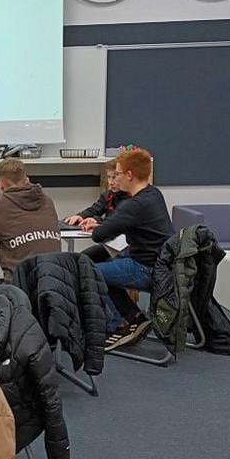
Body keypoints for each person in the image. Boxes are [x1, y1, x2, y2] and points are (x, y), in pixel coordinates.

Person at [83, 148, 173, 347]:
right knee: (105, 265)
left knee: (88, 272)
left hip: (147, 269)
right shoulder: (154, 194)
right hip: (164, 266)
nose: (115, 178)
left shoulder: (134, 205)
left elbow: (99, 236)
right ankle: (134, 318)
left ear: (129, 175)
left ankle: (121, 325)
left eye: (118, 174)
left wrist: (101, 226)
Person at [0, 157, 61, 282]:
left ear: (1, 186)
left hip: (21, 289)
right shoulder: (47, 201)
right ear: (27, 180)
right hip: (56, 285)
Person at [63, 159, 131, 263]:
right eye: (109, 177)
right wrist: (80, 216)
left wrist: (97, 221)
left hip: (124, 247)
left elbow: (116, 222)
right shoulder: (108, 195)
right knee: (81, 259)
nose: (111, 182)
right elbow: (95, 209)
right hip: (110, 245)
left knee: (87, 263)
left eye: (114, 177)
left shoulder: (130, 199)